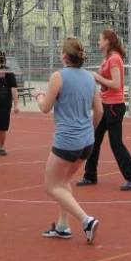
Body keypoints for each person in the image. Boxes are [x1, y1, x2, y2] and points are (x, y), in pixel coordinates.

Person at [35, 37, 102, 243]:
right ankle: (63, 227)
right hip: (87, 142)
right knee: (63, 181)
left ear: (64, 55)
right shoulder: (90, 78)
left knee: (51, 186)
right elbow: (99, 111)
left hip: (67, 141)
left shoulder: (59, 76)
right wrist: (89, 130)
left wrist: (39, 95)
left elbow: (45, 108)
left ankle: (86, 220)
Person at [77, 29, 131, 191]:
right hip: (105, 104)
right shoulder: (107, 58)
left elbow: (116, 84)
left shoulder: (114, 58)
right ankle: (90, 175)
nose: (98, 41)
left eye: (100, 39)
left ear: (107, 41)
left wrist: (96, 76)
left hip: (113, 106)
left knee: (116, 143)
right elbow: (106, 83)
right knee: (94, 140)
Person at [0, 49, 20, 156]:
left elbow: (13, 88)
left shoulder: (7, 71)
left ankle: (1, 147)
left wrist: (16, 104)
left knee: (2, 127)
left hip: (4, 103)